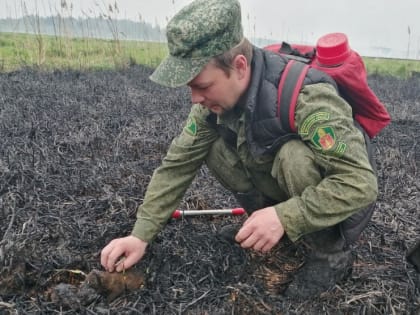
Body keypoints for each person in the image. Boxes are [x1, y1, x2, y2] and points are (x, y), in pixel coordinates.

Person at [101, 0, 378, 299]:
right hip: (278, 188)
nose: (195, 98)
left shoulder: (307, 97)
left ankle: (329, 253)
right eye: (189, 88)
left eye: (203, 86)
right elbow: (176, 166)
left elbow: (359, 183)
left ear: (240, 67)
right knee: (214, 148)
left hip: (333, 201)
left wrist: (287, 216)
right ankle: (264, 227)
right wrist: (140, 235)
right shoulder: (211, 108)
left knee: (294, 157)